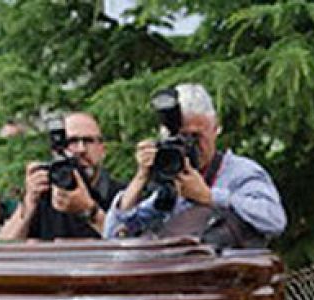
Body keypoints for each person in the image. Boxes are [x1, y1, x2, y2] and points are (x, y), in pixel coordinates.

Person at [104, 83, 286, 249]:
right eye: (182, 137)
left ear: (215, 129)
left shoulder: (241, 173)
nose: (190, 145)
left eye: (196, 136)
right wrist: (141, 177)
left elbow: (274, 220)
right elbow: (112, 234)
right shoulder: (174, 180)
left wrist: (210, 197)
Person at [0, 112, 123, 241]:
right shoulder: (45, 193)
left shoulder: (122, 195)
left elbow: (130, 244)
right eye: (72, 141)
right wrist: (29, 202)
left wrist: (89, 211)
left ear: (102, 149)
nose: (81, 149)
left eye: (88, 141)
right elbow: (5, 246)